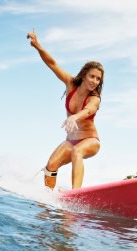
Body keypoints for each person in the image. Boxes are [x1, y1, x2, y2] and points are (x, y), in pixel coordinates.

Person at [27, 29, 104, 189]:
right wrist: (37, 46)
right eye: (92, 76)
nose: (95, 81)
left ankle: (76, 193)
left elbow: (89, 110)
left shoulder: (94, 98)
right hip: (71, 140)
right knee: (51, 164)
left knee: (77, 152)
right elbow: (52, 64)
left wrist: (74, 117)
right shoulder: (70, 84)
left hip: (90, 141)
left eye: (98, 79)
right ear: (84, 75)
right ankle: (48, 197)